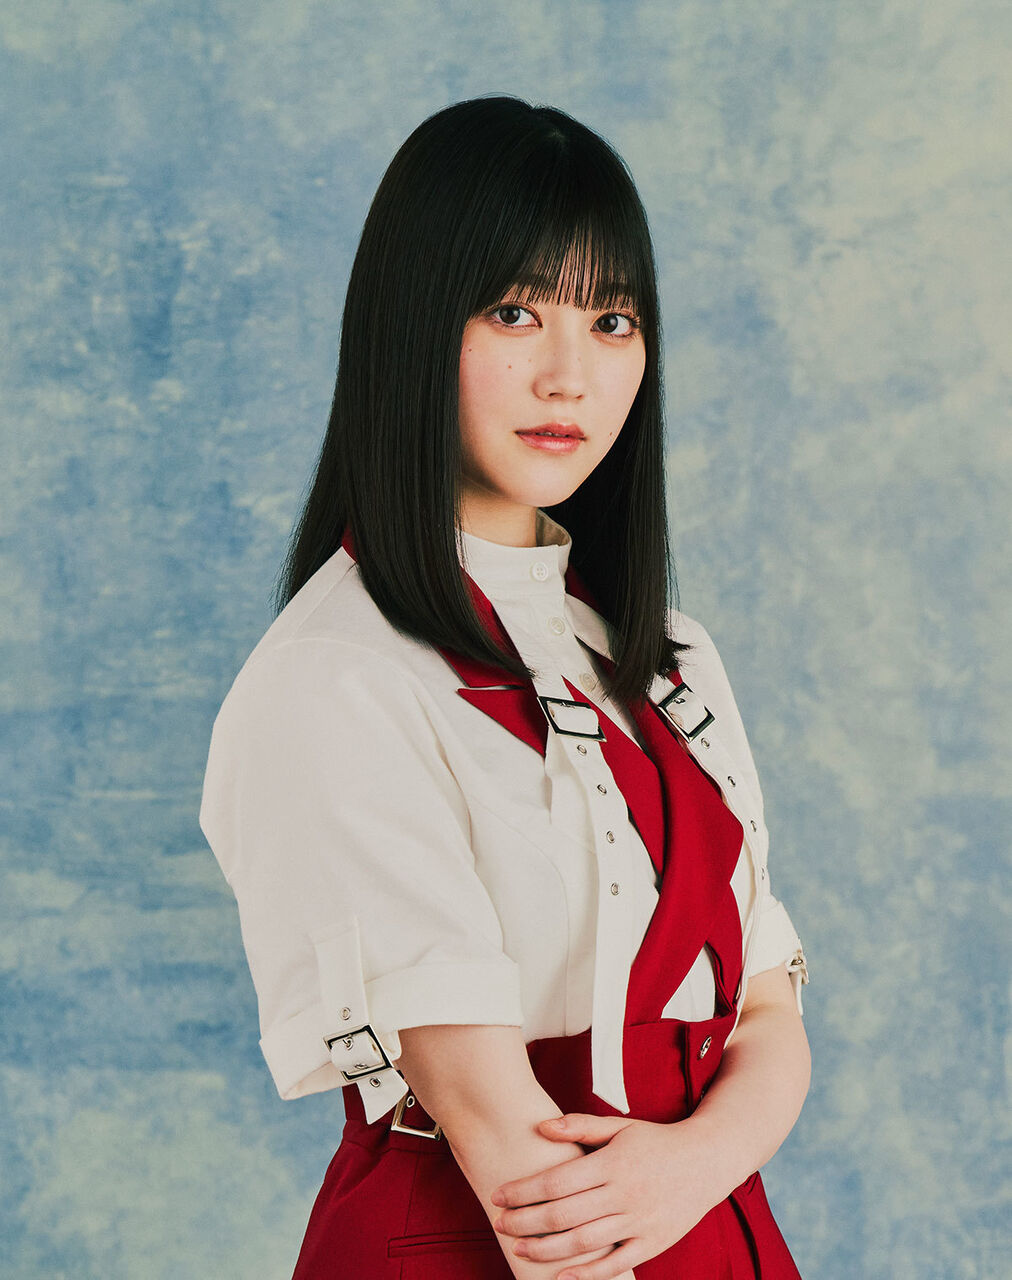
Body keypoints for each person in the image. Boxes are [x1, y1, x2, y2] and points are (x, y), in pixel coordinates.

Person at [199, 95, 812, 1280]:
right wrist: (661, 1194)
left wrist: (693, 1164)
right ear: (414, 323)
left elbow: (767, 1009)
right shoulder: (335, 677)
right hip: (473, 1246)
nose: (568, 375)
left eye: (612, 320)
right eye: (515, 310)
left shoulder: (669, 656)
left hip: (712, 1232)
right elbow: (511, 1155)